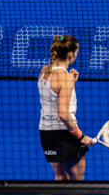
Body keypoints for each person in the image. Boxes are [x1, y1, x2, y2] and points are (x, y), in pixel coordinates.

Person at [38, 35, 94, 180]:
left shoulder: (44, 71)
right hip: (64, 133)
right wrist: (81, 136)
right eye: (76, 53)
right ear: (70, 55)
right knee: (77, 182)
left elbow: (53, 95)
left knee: (60, 177)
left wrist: (70, 83)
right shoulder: (64, 78)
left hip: (46, 133)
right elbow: (63, 113)